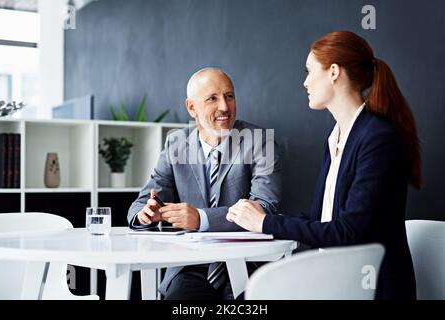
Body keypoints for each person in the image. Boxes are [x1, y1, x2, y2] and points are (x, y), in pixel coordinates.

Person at [227, 31, 420, 300]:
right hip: (335, 278)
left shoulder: (378, 139)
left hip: (368, 287)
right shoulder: (337, 135)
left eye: (309, 71)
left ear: (333, 72)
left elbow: (347, 231)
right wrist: (264, 218)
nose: (305, 82)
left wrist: (265, 223)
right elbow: (321, 220)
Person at [127, 67, 281, 300]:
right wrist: (146, 214)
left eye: (229, 96)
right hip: (190, 264)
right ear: (191, 107)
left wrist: (201, 219)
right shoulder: (176, 143)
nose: (224, 107)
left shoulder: (259, 140)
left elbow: (265, 207)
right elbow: (141, 203)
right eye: (212, 98)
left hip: (247, 263)